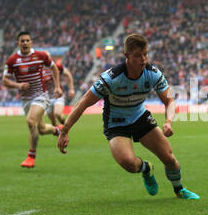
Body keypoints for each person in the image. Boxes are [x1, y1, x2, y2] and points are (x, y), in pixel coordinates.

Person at [57, 34, 199, 199]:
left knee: (169, 158)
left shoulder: (152, 73)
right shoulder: (111, 78)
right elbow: (83, 103)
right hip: (116, 123)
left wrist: (169, 121)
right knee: (128, 163)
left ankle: (179, 190)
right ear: (127, 56)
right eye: (138, 55)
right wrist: (65, 130)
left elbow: (170, 101)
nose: (143, 59)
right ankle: (147, 169)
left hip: (140, 117)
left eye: (145, 54)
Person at [2, 31, 63, 168]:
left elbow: (54, 69)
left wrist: (57, 87)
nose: (25, 43)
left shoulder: (41, 56)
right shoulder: (12, 60)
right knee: (40, 129)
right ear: (18, 43)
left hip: (40, 95)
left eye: (27, 40)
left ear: (31, 42)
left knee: (30, 121)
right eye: (22, 41)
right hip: (26, 99)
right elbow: (4, 81)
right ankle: (58, 130)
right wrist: (18, 85)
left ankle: (31, 156)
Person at [44, 58, 75, 126]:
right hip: (46, 97)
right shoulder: (38, 69)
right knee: (53, 122)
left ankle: (65, 128)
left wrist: (71, 89)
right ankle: (59, 134)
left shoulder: (56, 66)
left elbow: (68, 74)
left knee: (57, 113)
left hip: (58, 95)